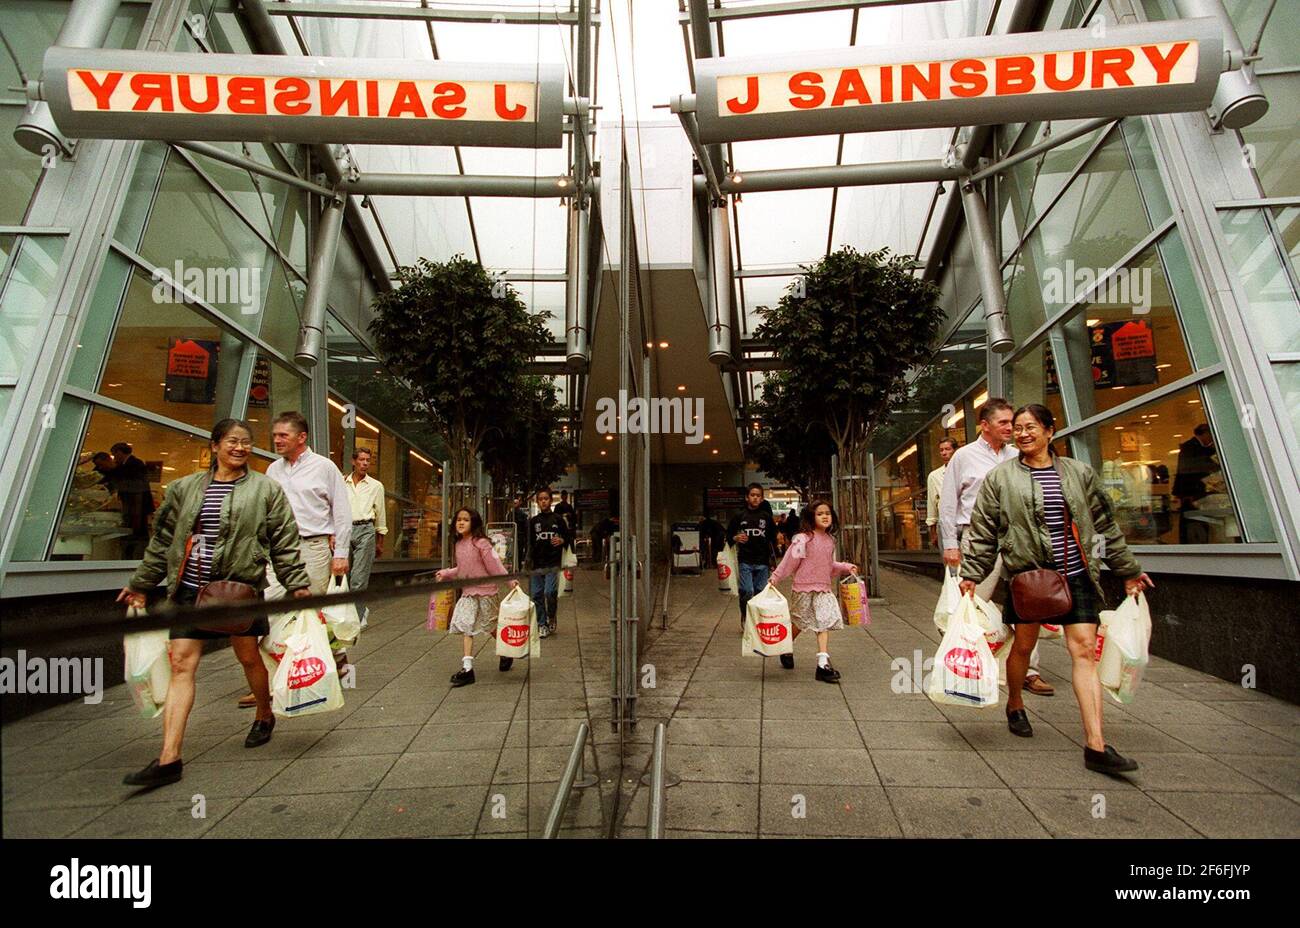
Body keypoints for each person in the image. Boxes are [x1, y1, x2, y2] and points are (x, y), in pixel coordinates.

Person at [116, 419, 312, 787]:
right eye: (232, 441)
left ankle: (264, 712)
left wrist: (297, 584)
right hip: (190, 590)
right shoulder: (185, 488)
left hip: (239, 591)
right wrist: (141, 583)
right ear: (215, 444)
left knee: (249, 657)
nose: (240, 448)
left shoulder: (266, 490)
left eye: (246, 442)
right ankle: (170, 758)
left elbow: (284, 541)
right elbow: (162, 542)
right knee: (181, 664)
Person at [959, 404, 1154, 773]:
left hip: (1076, 574)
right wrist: (972, 573)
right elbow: (984, 530)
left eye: (1031, 427)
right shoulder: (1001, 478)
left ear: (1051, 430)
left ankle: (1095, 745)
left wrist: (1128, 570)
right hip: (1029, 577)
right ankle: (1015, 702)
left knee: (1083, 653)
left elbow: (1104, 525)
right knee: (1024, 646)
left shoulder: (1079, 473)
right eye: (1017, 428)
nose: (1023, 434)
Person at [940, 398, 1054, 697]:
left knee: (1030, 603)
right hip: (977, 540)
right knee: (969, 604)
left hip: (1019, 539)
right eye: (1004, 423)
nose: (1011, 428)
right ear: (985, 425)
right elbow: (949, 503)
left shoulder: (1019, 455)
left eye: (1012, 422)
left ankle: (1029, 671)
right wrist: (950, 544)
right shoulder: (963, 457)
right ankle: (967, 664)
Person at [238, 411, 351, 708]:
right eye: (275, 435)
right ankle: (273, 681)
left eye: (283, 435)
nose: (276, 440)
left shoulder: (324, 468)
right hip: (277, 553)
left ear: (301, 438)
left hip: (313, 549)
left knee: (309, 615)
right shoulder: (273, 470)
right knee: (269, 614)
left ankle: (328, 663)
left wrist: (340, 553)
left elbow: (341, 512)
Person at [769, 499, 858, 681]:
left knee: (823, 622)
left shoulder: (830, 540)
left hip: (823, 589)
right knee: (799, 623)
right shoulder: (803, 539)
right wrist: (776, 578)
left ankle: (822, 664)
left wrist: (845, 566)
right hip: (802, 589)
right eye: (820, 514)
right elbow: (789, 562)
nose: (825, 516)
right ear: (811, 517)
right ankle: (786, 648)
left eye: (827, 513)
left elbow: (827, 565)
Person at [437, 507, 518, 686]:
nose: (461, 522)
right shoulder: (458, 544)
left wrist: (510, 581)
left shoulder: (482, 543)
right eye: (458, 519)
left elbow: (495, 565)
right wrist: (446, 573)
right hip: (468, 594)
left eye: (465, 520)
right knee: (467, 626)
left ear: (473, 522)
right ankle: (467, 669)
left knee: (490, 626)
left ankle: (506, 652)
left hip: (487, 592)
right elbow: (463, 568)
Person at [344, 446, 387, 628]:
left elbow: (381, 514)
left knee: (359, 578)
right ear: (354, 461)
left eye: (367, 460)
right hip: (345, 530)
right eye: (361, 460)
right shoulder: (341, 482)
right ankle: (347, 614)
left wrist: (380, 541)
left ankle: (358, 616)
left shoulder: (376, 486)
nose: (364, 463)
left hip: (366, 529)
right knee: (343, 576)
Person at [727, 484, 778, 627]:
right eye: (752, 495)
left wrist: (774, 562)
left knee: (760, 592)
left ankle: (755, 620)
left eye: (758, 496)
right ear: (747, 497)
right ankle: (744, 614)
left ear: (762, 499)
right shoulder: (739, 515)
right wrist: (735, 538)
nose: (755, 498)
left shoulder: (766, 517)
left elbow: (773, 539)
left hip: (763, 561)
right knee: (747, 590)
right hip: (745, 560)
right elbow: (728, 534)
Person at [528, 487, 572, 638]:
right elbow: (529, 544)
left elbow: (569, 537)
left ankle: (551, 616)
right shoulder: (533, 522)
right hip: (536, 564)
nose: (543, 501)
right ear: (537, 502)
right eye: (540, 499)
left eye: (546, 498)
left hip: (553, 562)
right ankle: (542, 624)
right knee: (536, 594)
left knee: (549, 592)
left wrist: (562, 540)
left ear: (551, 500)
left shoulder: (558, 519)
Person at [1173, 423, 1220, 544]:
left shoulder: (1193, 448)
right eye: (1210, 435)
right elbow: (1187, 472)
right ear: (1205, 433)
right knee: (1193, 520)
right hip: (1192, 492)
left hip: (1193, 491)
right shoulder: (1191, 448)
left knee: (1195, 520)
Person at [108, 442, 156, 558]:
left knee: (138, 531)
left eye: (114, 454)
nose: (114, 457)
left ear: (120, 452)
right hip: (134, 505)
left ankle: (135, 554)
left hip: (136, 505)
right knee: (136, 530)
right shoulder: (127, 464)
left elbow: (134, 486)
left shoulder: (134, 464)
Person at [926, 438, 958, 548]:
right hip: (945, 523)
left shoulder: (966, 470)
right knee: (951, 563)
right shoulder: (934, 476)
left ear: (955, 450)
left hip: (965, 521)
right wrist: (933, 532)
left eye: (947, 449)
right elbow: (932, 505)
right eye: (941, 450)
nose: (944, 453)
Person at [509, 495, 530, 571]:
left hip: (520, 536)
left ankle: (518, 567)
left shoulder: (522, 514)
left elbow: (526, 527)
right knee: (514, 551)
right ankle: (515, 566)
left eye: (516, 503)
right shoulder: (510, 514)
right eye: (513, 503)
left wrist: (526, 537)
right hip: (514, 535)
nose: (514, 505)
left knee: (519, 552)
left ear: (519, 504)